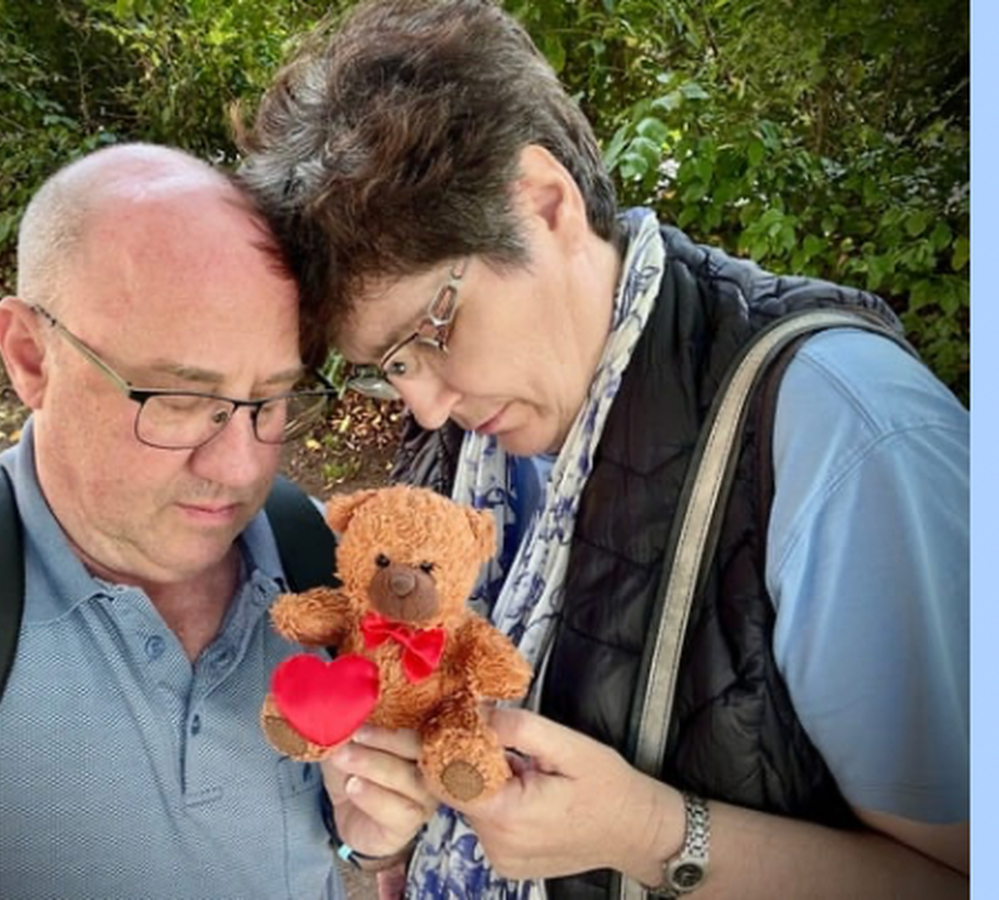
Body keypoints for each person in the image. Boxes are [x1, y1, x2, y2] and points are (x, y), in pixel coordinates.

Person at [235, 1, 970, 897]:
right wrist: (386, 841)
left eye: (433, 329)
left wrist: (653, 834)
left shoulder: (844, 438)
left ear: (543, 203)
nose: (425, 404)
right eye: (389, 367)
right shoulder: (470, 431)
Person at [0, 143, 433, 898]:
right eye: (179, 401)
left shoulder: (333, 564)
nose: (241, 467)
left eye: (273, 400)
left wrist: (372, 848)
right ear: (31, 357)